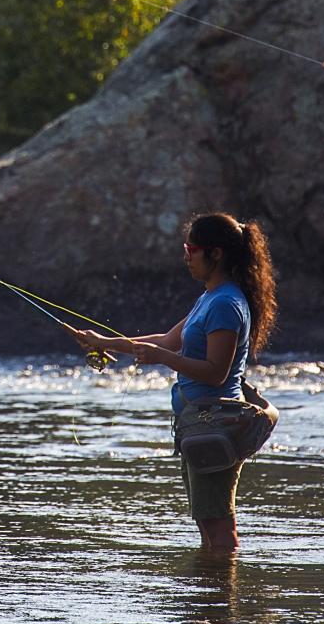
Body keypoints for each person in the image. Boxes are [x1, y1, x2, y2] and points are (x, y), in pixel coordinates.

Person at [69, 212, 277, 551]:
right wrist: (103, 342)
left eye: (191, 250)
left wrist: (163, 358)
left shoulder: (226, 304)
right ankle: (212, 580)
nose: (186, 257)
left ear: (216, 253)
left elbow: (216, 371)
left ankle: (222, 583)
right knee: (206, 520)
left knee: (218, 526)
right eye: (186, 248)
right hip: (198, 423)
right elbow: (166, 341)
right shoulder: (209, 298)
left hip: (216, 423)